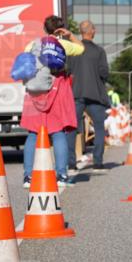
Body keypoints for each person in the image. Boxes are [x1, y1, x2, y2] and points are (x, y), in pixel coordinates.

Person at [21, 15, 84, 189]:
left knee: (33, 133)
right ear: (60, 29)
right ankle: (61, 175)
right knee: (58, 132)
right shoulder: (63, 44)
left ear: (44, 29)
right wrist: (70, 35)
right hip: (58, 89)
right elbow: (81, 48)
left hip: (36, 90)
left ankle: (28, 177)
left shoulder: (33, 44)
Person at [67, 20, 110, 172]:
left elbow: (67, 71)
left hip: (76, 93)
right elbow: (104, 73)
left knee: (71, 128)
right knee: (99, 127)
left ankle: (71, 163)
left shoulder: (72, 50)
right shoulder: (99, 51)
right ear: (92, 31)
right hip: (95, 94)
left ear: (81, 32)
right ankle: (98, 162)